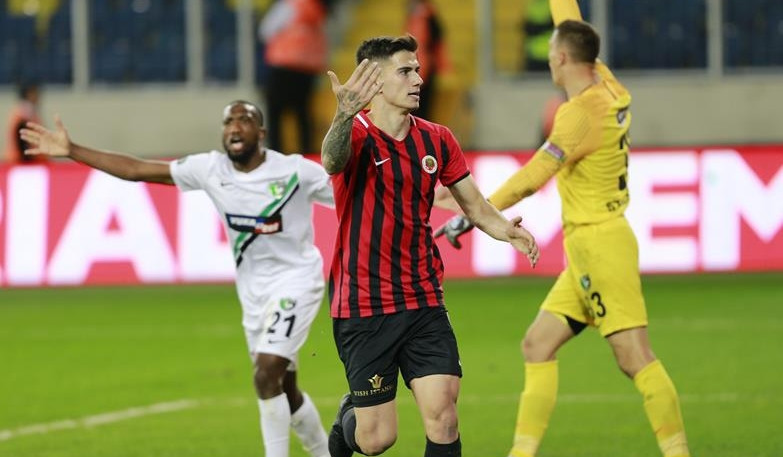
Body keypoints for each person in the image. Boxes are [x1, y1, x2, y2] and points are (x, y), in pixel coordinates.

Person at [434, 2, 692, 457]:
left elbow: (533, 176)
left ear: (561, 59)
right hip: (592, 246)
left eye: (553, 55)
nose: (550, 61)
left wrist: (475, 209)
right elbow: (570, 26)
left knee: (634, 357)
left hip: (601, 247)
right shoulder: (607, 82)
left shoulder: (577, 116)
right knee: (537, 344)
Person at [20, 101, 333, 457]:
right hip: (253, 294)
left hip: (296, 280)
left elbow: (351, 198)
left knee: (265, 372)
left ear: (261, 133)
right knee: (284, 389)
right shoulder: (211, 169)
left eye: (244, 120)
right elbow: (137, 169)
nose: (234, 127)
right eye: (228, 121)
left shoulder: (295, 171)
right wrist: (73, 150)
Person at [320, 35, 540, 457]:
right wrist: (343, 115)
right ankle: (348, 422)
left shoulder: (437, 139)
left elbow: (474, 205)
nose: (419, 79)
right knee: (376, 440)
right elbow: (332, 160)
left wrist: (505, 230)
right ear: (375, 81)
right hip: (365, 304)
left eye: (418, 70)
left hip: (423, 297)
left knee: (444, 416)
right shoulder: (357, 135)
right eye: (406, 71)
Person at [259, 0, 329, 153]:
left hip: (283, 65)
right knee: (303, 113)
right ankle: (307, 152)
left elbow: (266, 30)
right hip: (307, 68)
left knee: (275, 113)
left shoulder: (289, 5)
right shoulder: (316, 10)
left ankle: (276, 152)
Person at [405, 0, 449, 120]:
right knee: (421, 107)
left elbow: (419, 45)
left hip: (423, 68)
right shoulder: (428, 15)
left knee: (418, 107)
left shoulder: (421, 16)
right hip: (424, 67)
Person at [5, 82, 46, 164]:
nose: (38, 96)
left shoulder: (26, 112)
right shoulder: (24, 114)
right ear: (29, 94)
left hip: (26, 160)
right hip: (22, 162)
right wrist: (29, 162)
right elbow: (23, 143)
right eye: (35, 93)